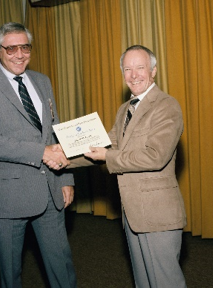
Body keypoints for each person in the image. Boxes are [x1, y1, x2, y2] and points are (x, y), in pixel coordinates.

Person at [63, 45, 188, 287]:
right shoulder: (125, 109)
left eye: (140, 68)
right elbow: (103, 144)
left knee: (165, 283)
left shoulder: (166, 105)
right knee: (143, 284)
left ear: (153, 71)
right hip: (133, 214)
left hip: (158, 215)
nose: (134, 75)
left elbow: (155, 157)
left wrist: (108, 158)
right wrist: (63, 155)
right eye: (127, 69)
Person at [0, 22, 76, 288]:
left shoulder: (42, 81)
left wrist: (66, 179)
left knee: (62, 268)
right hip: (9, 197)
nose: (19, 54)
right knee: (11, 274)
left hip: (50, 190)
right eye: (11, 48)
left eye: (24, 47)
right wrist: (41, 152)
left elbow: (56, 132)